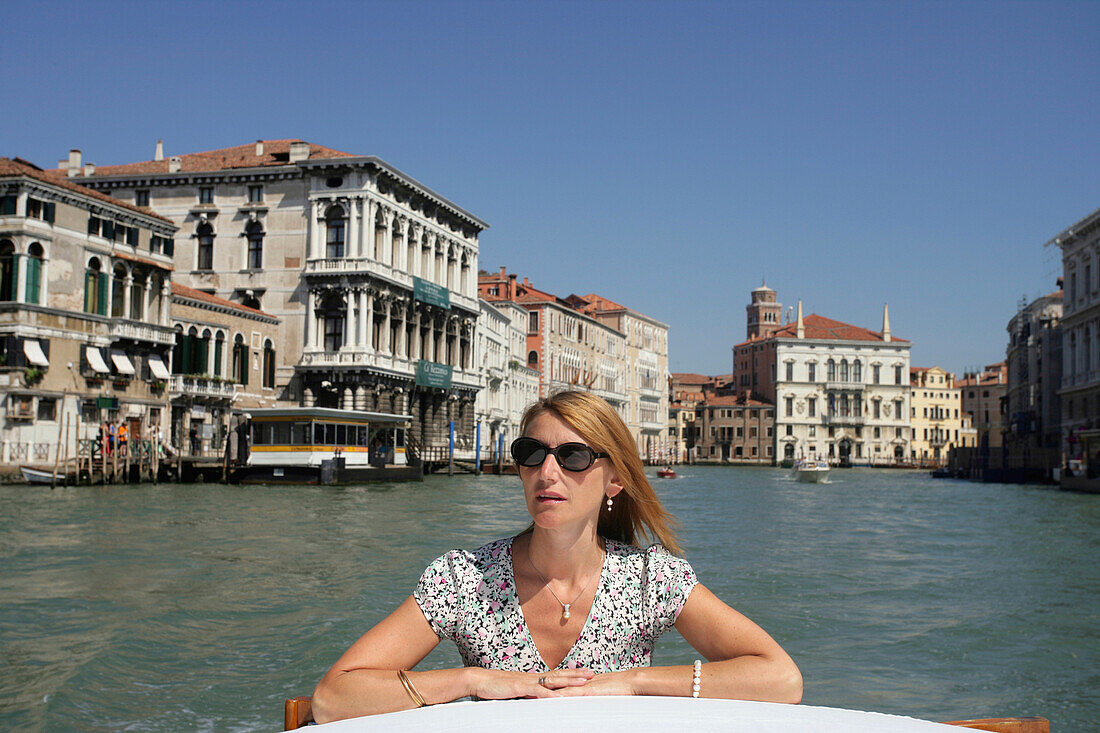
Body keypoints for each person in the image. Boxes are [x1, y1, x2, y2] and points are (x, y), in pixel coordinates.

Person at [311, 391, 801, 723]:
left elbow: (780, 678)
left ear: (614, 479)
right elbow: (333, 698)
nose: (547, 471)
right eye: (532, 453)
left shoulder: (654, 579)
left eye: (573, 456)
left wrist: (630, 684)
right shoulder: (462, 579)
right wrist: (474, 680)